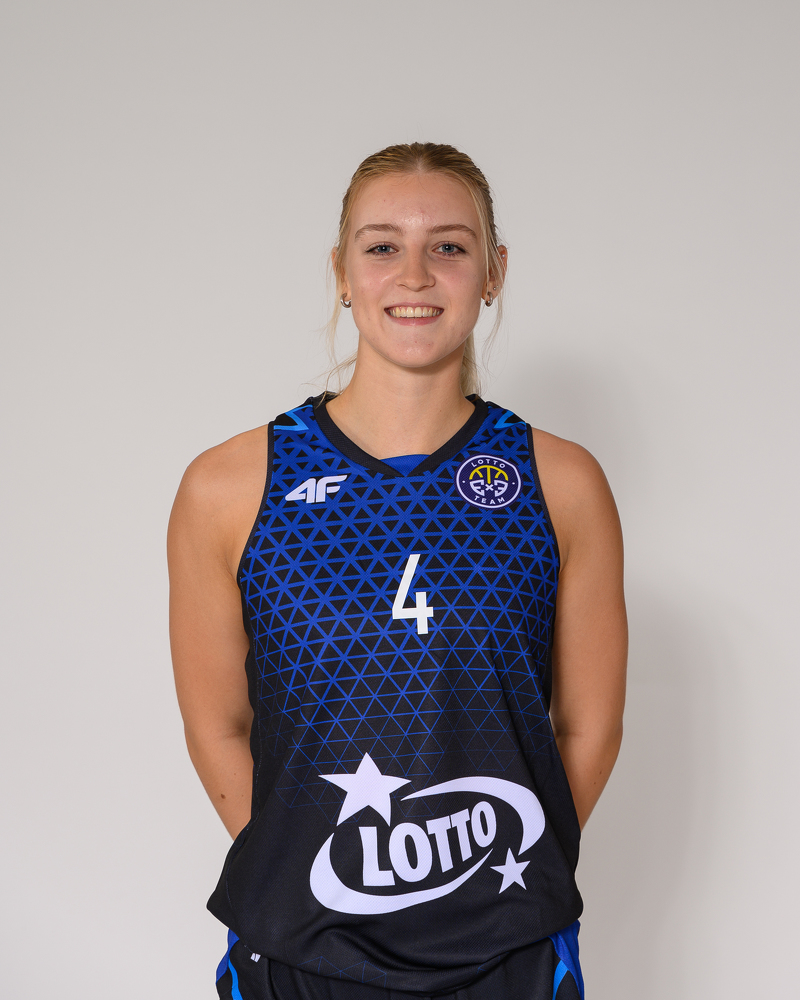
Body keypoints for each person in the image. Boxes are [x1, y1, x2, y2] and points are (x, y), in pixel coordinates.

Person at [168, 142, 627, 1000]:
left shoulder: (558, 481)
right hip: (300, 954)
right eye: (382, 246)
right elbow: (217, 725)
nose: (414, 274)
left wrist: (498, 870)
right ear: (342, 273)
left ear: (493, 273)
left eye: (449, 246)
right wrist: (303, 866)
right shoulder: (230, 486)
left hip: (506, 951)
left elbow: (589, 729)